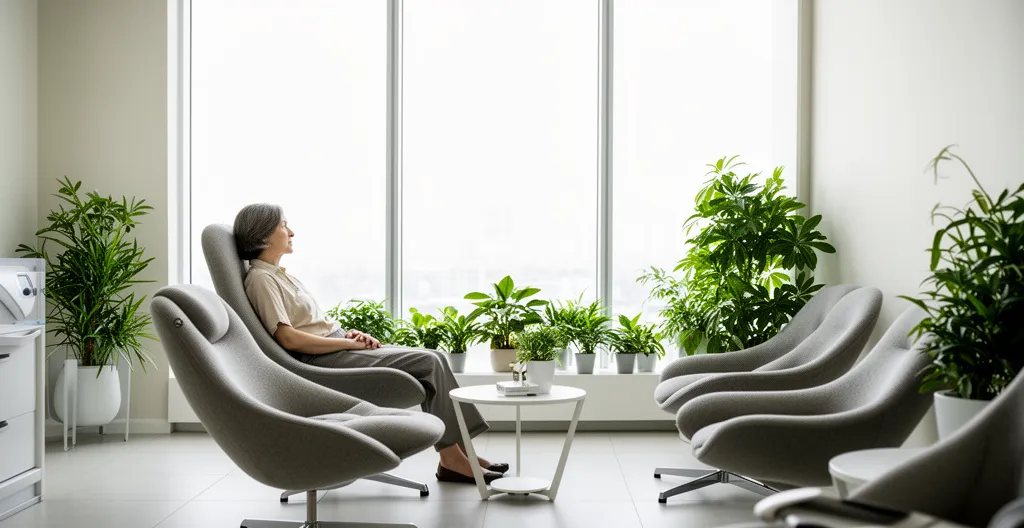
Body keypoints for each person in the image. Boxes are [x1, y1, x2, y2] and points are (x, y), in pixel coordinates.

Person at [233, 203, 506, 484]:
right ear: (263, 236)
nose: (291, 231)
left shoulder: (281, 276)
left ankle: (461, 453)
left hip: (335, 346)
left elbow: (310, 324)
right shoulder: (262, 279)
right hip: (322, 360)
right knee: (430, 361)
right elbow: (288, 338)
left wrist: (347, 335)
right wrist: (346, 346)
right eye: (283, 226)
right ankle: (452, 459)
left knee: (435, 355)